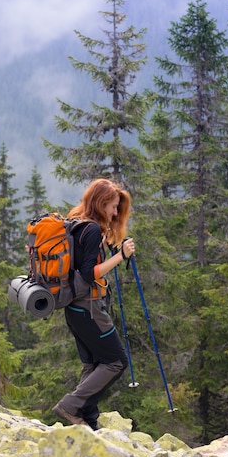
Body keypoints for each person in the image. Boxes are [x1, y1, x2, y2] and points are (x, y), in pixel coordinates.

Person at [53, 178, 135, 430]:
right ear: (100, 204)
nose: (114, 212)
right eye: (112, 207)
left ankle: (87, 419)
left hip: (74, 309)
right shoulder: (90, 231)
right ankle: (70, 405)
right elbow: (89, 273)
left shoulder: (76, 222)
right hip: (89, 309)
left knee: (94, 363)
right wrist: (121, 257)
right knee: (117, 361)